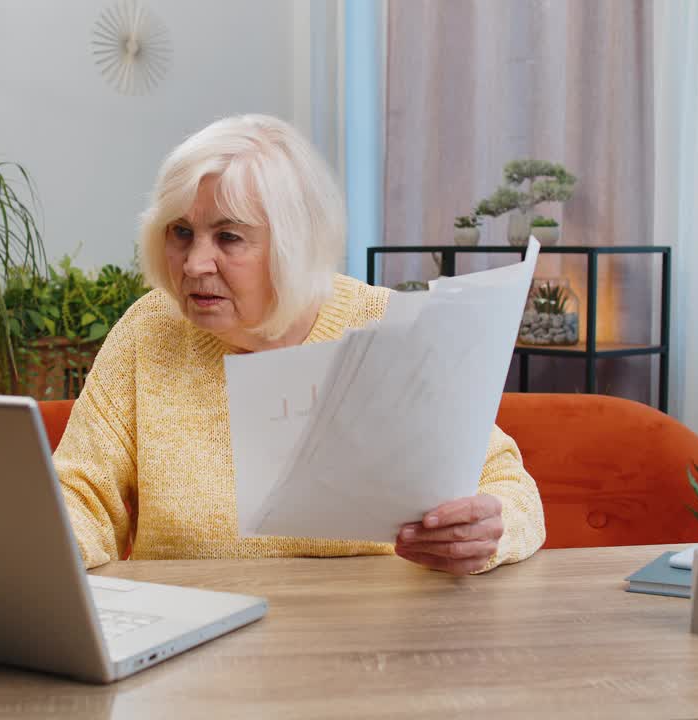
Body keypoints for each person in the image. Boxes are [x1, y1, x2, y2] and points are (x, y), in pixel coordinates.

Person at [55, 114, 545, 575]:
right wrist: (50, 547)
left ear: (293, 246)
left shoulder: (385, 324)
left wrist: (486, 531)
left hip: (376, 648)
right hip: (196, 646)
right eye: (181, 233)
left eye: (228, 237)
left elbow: (508, 486)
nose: (194, 264)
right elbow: (78, 493)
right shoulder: (150, 330)